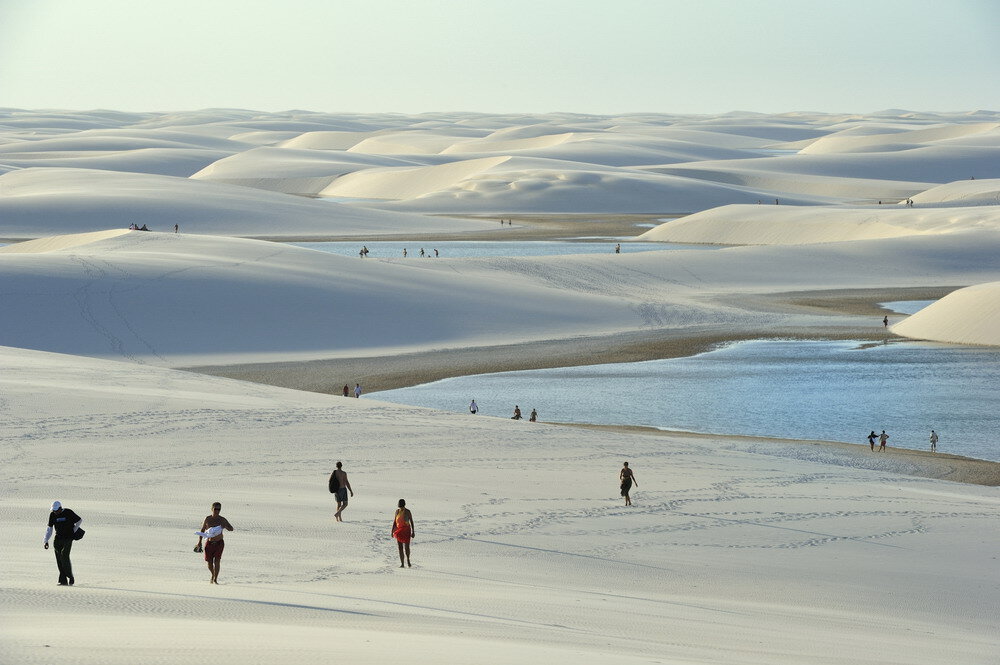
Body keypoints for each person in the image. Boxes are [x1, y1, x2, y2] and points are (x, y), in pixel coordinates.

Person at [44, 501, 82, 586]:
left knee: (64, 555)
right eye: (53, 510)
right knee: (59, 559)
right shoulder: (52, 515)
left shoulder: (68, 512)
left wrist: (73, 530)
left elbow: (79, 520)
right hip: (58, 539)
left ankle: (70, 577)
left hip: (68, 538)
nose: (55, 512)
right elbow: (49, 528)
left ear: (60, 508)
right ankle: (63, 580)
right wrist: (46, 540)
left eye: (56, 510)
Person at [195, 502, 234, 584]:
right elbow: (202, 530)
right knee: (209, 562)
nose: (217, 511)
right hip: (209, 543)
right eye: (216, 509)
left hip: (219, 543)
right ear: (212, 509)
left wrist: (225, 526)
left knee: (217, 561)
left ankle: (215, 579)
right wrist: (199, 542)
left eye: (219, 509)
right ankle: (213, 574)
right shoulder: (208, 519)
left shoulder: (222, 519)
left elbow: (231, 528)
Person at [391, 499, 415, 568]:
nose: (400, 508)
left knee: (407, 547)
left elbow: (411, 521)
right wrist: (392, 530)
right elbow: (395, 522)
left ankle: (408, 559)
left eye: (401, 506)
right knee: (400, 547)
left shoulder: (407, 511)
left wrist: (413, 531)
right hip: (399, 531)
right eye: (400, 506)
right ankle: (402, 564)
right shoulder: (397, 511)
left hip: (406, 530)